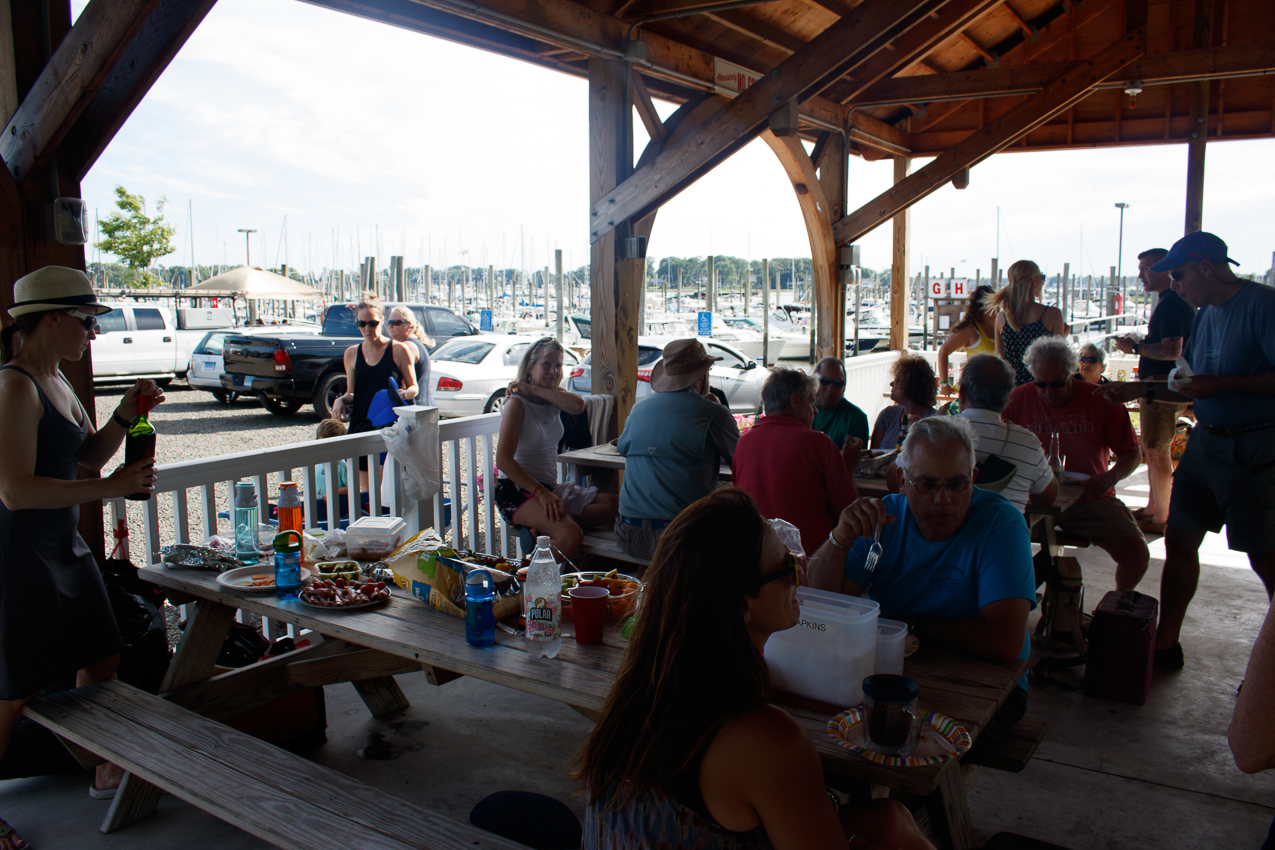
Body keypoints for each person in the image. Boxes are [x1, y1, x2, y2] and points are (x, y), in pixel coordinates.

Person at [573, 488, 933, 850]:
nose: (798, 576)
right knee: (899, 831)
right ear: (744, 606)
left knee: (890, 819)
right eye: (788, 567)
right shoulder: (770, 739)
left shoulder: (639, 692)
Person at [0, 267, 164, 845]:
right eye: (87, 320)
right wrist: (115, 489)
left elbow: (88, 460)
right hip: (18, 554)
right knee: (13, 690)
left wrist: (126, 411)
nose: (93, 332)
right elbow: (16, 491)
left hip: (63, 546)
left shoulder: (61, 381)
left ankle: (101, 764)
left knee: (101, 657)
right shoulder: (15, 385)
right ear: (50, 318)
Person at [1101, 231, 1275, 671]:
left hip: (1257, 447)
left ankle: (1268, 675)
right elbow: (1191, 379)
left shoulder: (1263, 305)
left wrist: (1224, 386)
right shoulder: (1207, 315)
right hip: (1208, 440)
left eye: (1178, 275)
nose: (1174, 284)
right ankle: (1165, 644)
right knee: (1179, 539)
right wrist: (1139, 388)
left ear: (1206, 267)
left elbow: (1221, 381)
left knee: (1265, 555)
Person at [806, 417, 1035, 739]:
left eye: (957, 484)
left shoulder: (1001, 523)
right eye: (927, 484)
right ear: (902, 480)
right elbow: (819, 604)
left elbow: (1004, 643)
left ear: (974, 478)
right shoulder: (884, 519)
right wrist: (840, 538)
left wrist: (908, 625)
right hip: (898, 673)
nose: (943, 499)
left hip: (990, 686)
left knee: (894, 743)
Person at [1003, 336, 1148, 591]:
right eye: (1040, 384)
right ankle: (1011, 602)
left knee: (1136, 554)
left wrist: (1109, 478)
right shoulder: (1017, 399)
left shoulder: (1101, 399)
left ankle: (1118, 602)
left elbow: (1132, 453)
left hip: (1089, 496)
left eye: (1058, 384)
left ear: (1073, 373)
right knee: (989, 544)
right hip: (1030, 497)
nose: (1048, 392)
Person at [614, 339, 739, 560]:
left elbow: (623, 449)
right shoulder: (713, 413)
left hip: (629, 534)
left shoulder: (638, 409)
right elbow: (740, 460)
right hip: (682, 536)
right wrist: (717, 409)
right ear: (703, 376)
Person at [495, 337, 617, 558]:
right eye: (546, 364)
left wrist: (534, 388)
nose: (554, 370)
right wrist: (541, 494)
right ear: (530, 367)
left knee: (613, 505)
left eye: (558, 365)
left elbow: (578, 406)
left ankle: (540, 528)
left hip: (548, 488)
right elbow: (503, 461)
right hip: (517, 491)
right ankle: (524, 581)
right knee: (571, 536)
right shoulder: (516, 404)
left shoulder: (551, 398)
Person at [1112, 248, 1196, 535]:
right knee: (1152, 449)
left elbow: (1173, 349)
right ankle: (1153, 508)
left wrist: (1133, 347)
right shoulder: (1171, 301)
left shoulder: (1171, 303)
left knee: (1157, 452)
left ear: (1165, 269)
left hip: (1160, 389)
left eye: (1146, 269)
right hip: (1160, 386)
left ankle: (1161, 517)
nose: (1140, 275)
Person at [732, 368, 858, 559]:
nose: (815, 410)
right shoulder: (819, 443)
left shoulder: (743, 443)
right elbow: (849, 511)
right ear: (795, 400)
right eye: (811, 402)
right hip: (811, 562)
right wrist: (848, 466)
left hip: (757, 558)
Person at [956, 354, 1058, 513]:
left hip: (949, 538)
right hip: (1007, 535)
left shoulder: (930, 434)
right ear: (1008, 397)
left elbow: (902, 485)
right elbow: (1047, 498)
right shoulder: (1028, 443)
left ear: (961, 393)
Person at [330, 291, 418, 433]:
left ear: (382, 321)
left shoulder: (399, 350)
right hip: (360, 424)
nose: (367, 328)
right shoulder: (351, 353)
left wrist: (405, 393)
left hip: (390, 426)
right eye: (362, 323)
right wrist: (340, 400)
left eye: (372, 323)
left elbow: (414, 387)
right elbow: (352, 393)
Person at [990, 260, 1068, 386]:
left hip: (1012, 389)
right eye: (1042, 278)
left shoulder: (1002, 318)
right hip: (1040, 387)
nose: (1042, 283)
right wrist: (1064, 335)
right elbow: (1057, 357)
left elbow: (1001, 361)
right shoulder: (1052, 314)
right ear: (1033, 280)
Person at [870, 353, 938, 450]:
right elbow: (872, 455)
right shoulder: (887, 415)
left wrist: (922, 430)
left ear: (912, 386)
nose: (891, 384)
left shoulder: (935, 421)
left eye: (897, 380)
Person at [811, 356, 869, 466]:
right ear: (814, 381)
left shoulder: (857, 418)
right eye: (825, 381)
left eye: (838, 383)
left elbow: (855, 462)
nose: (830, 388)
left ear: (844, 386)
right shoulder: (800, 411)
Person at [937, 284, 997, 386]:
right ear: (981, 306)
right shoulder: (971, 329)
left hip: (997, 390)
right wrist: (944, 383)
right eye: (992, 303)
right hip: (974, 390)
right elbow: (943, 351)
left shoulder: (1001, 326)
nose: (996, 307)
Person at [384, 305, 435, 407]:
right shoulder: (416, 343)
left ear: (409, 325)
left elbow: (403, 381)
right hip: (424, 404)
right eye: (389, 323)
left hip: (414, 408)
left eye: (396, 323)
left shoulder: (407, 346)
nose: (390, 326)